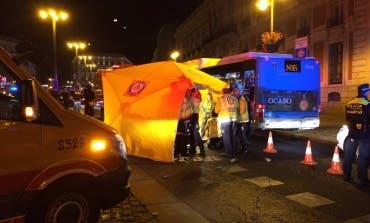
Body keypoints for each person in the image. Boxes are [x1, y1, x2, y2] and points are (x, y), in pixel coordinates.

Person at [343, 83, 370, 186]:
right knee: (363, 156)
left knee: (349, 154)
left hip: (352, 133)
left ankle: (346, 175)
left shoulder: (350, 103)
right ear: (366, 92)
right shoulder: (367, 104)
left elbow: (347, 119)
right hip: (364, 134)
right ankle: (361, 179)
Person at [215, 87, 238, 157]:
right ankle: (233, 151)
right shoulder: (234, 98)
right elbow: (237, 107)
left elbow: (216, 110)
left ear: (222, 92)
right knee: (232, 136)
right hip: (233, 119)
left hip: (224, 120)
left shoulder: (221, 99)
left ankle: (228, 152)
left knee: (226, 137)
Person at [230, 87, 250, 163]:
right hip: (239, 121)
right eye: (233, 92)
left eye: (235, 92)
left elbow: (242, 111)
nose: (234, 94)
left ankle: (244, 149)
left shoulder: (242, 100)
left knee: (242, 136)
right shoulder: (237, 99)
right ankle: (243, 148)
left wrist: (233, 110)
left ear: (238, 92)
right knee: (240, 136)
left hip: (242, 121)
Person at [174, 88, 193, 161]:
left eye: (190, 92)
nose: (190, 93)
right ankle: (180, 152)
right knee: (180, 136)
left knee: (183, 136)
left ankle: (181, 152)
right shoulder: (182, 100)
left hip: (185, 120)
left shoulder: (188, 100)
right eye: (188, 92)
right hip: (180, 120)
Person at [189, 87, 206, 157]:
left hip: (194, 115)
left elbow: (196, 98)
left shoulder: (195, 96)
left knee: (195, 133)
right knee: (192, 133)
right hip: (193, 115)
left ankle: (201, 150)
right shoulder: (195, 95)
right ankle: (193, 149)